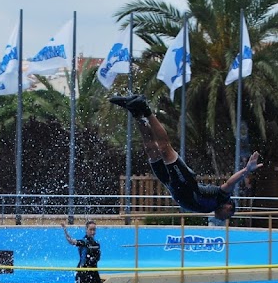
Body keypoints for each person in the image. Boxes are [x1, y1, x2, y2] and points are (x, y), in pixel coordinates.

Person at [109, 94, 260, 221]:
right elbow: (230, 183)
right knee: (165, 149)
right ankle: (146, 109)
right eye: (228, 216)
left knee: (151, 150)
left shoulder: (210, 208)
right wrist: (247, 170)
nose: (225, 219)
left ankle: (136, 112)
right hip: (184, 181)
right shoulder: (222, 198)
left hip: (170, 184)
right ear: (228, 207)